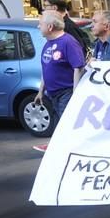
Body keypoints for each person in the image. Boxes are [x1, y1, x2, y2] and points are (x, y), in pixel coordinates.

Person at [33, 12, 85, 152]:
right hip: (53, 93)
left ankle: (71, 151)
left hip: (66, 92)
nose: (39, 26)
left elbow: (78, 68)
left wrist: (75, 93)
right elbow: (46, 67)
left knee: (66, 124)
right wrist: (40, 91)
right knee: (59, 124)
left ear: (50, 27)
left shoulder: (68, 42)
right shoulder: (49, 44)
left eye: (41, 24)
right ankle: (60, 149)